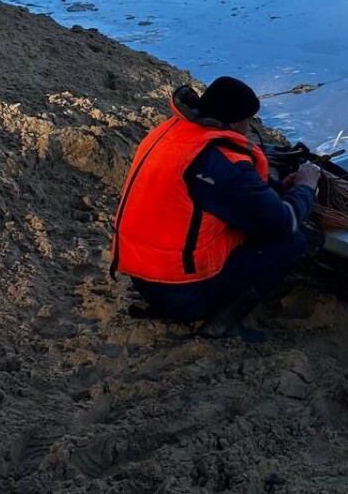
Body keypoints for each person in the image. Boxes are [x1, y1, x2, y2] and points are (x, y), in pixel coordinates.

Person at [110, 76, 320, 343]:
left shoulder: (174, 133)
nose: (248, 128)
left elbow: (220, 197)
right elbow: (282, 221)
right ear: (234, 122)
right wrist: (306, 186)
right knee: (291, 241)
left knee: (243, 221)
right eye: (247, 121)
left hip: (141, 274)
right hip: (181, 293)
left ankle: (182, 301)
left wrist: (277, 189)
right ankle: (222, 325)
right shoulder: (219, 161)